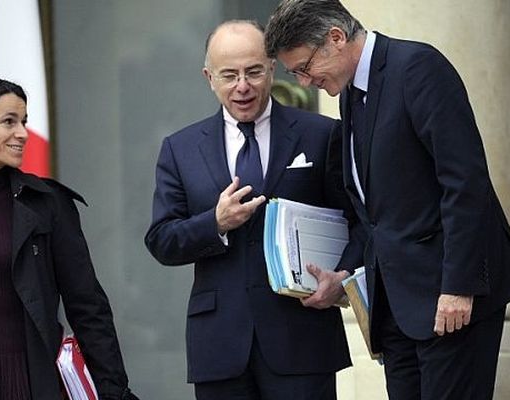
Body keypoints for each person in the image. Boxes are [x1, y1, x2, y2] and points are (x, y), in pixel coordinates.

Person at [265, 1, 510, 399]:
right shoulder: (350, 92)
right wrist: (345, 272)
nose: (305, 83)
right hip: (396, 307)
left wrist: (459, 286)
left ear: (336, 38)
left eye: (304, 68)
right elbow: (375, 210)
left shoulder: (417, 68)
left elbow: (465, 182)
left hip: (447, 299)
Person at [144, 20, 364, 400]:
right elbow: (162, 240)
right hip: (220, 345)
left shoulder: (321, 134)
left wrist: (342, 276)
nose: (242, 86)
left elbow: (361, 222)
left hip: (303, 338)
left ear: (271, 68)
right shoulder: (180, 148)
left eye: (253, 71)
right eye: (229, 75)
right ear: (208, 78)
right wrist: (215, 223)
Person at [0, 77, 139, 400]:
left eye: (24, 122)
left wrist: (115, 391)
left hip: (31, 381)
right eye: (9, 122)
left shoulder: (48, 203)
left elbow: (88, 306)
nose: (22, 133)